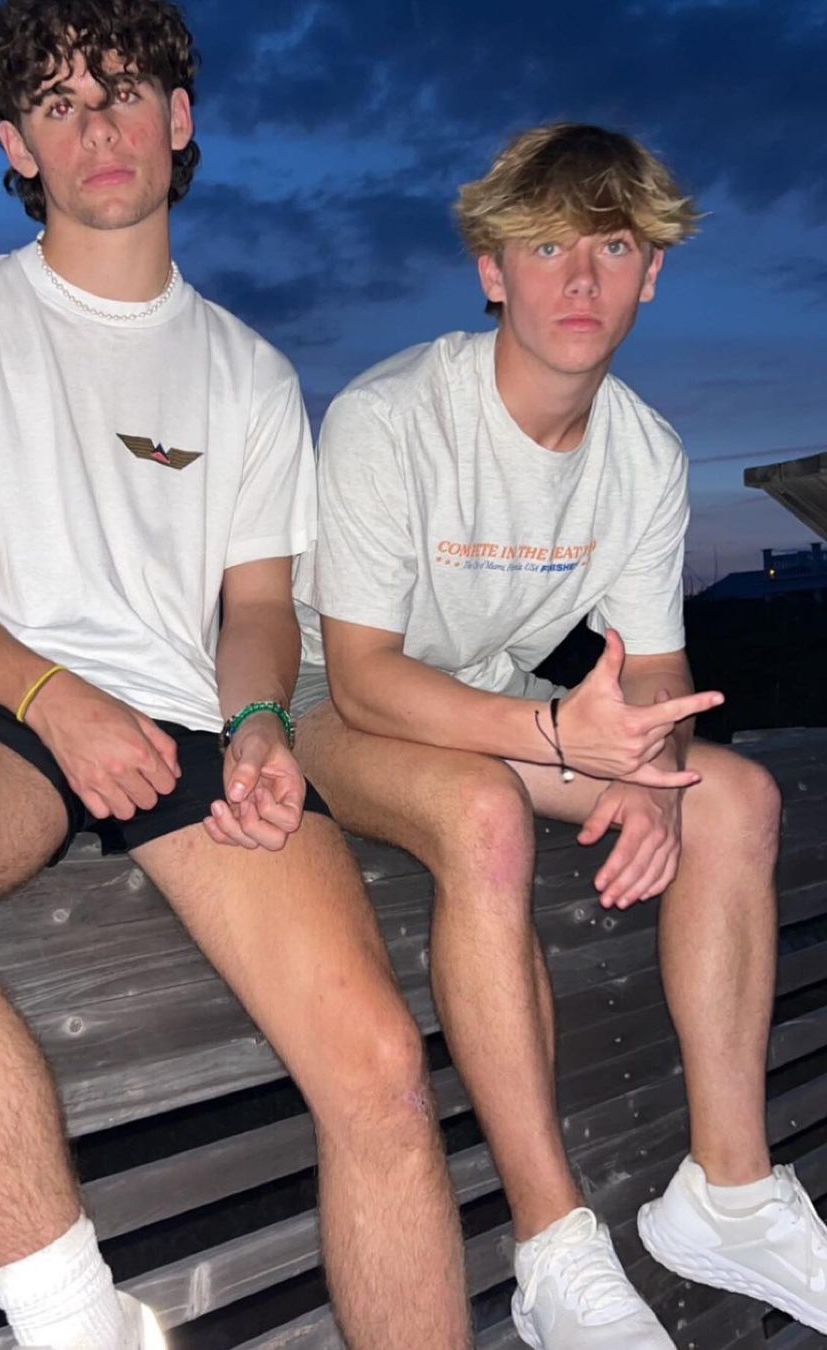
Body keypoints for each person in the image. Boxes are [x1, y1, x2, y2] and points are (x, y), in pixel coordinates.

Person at [0, 3, 472, 1347]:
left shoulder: (251, 376)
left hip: (189, 723)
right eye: (58, 102)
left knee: (382, 1070)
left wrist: (260, 719)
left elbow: (257, 604)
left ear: (179, 117)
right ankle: (79, 1320)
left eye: (124, 90)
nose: (97, 125)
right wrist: (53, 698)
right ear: (15, 144)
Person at [293, 122, 827, 1349]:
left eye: (613, 248)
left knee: (735, 799)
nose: (581, 279)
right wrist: (556, 735)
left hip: (494, 694)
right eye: (545, 248)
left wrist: (651, 770)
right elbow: (364, 677)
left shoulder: (645, 451)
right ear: (491, 271)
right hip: (330, 700)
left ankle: (729, 1193)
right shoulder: (392, 418)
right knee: (483, 814)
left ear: (653, 275)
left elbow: (658, 666)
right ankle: (552, 1249)